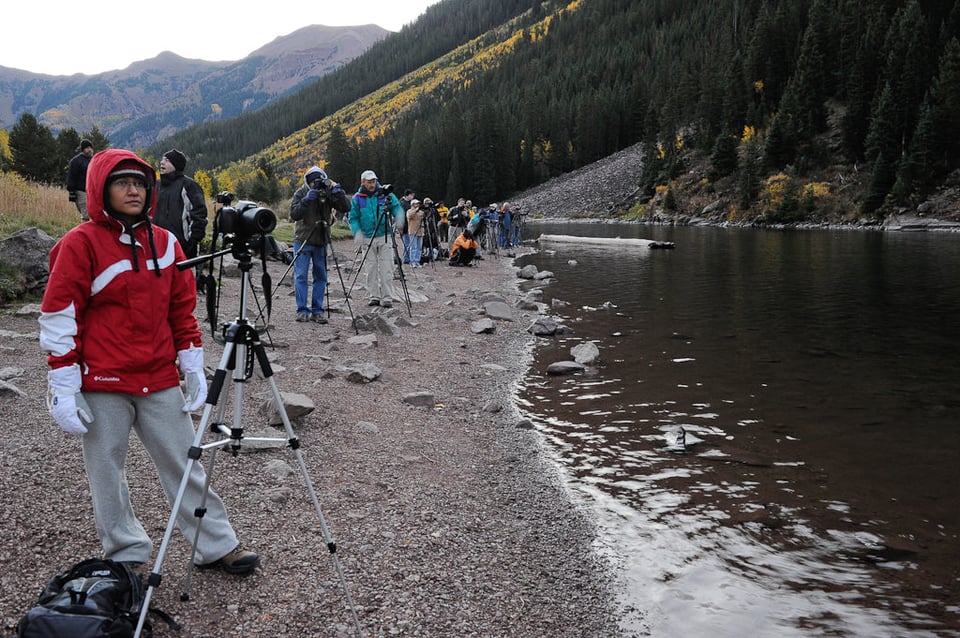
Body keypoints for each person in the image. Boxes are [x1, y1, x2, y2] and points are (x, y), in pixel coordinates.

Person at [38, 148, 259, 576]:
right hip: (102, 379)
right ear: (101, 189)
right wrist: (63, 384)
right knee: (107, 471)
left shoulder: (165, 241)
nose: (133, 190)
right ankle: (126, 554)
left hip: (158, 377)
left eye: (139, 182)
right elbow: (61, 314)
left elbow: (181, 308)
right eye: (122, 182)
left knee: (184, 462)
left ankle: (215, 545)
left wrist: (192, 363)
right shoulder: (80, 244)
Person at [289, 165, 351, 323]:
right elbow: (294, 214)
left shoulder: (328, 192)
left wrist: (338, 193)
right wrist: (307, 200)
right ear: (307, 183)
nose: (316, 185)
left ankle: (317, 310)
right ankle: (302, 310)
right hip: (303, 239)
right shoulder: (301, 193)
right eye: (313, 182)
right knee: (301, 275)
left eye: (318, 181)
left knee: (321, 275)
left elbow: (346, 208)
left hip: (322, 240)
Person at [348, 170, 404, 308]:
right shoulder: (357, 198)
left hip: (385, 235)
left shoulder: (385, 194)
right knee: (370, 268)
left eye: (373, 181)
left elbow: (396, 207)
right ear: (363, 182)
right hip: (367, 238)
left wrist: (400, 219)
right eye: (369, 182)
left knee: (387, 268)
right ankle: (374, 296)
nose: (372, 184)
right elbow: (353, 218)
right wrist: (357, 232)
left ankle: (387, 297)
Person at [155, 149, 207, 259]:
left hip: (181, 247)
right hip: (156, 245)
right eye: (162, 159)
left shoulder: (189, 186)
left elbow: (199, 214)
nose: (162, 162)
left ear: (176, 165)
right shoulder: (156, 185)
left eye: (167, 160)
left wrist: (193, 241)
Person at [66, 139, 94, 222]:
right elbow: (71, 176)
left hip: (92, 192)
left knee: (93, 214)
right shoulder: (76, 161)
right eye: (87, 148)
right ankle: (85, 234)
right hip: (81, 191)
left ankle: (91, 233)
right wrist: (71, 192)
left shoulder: (93, 160)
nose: (89, 150)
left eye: (90, 147)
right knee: (86, 215)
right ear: (83, 149)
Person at [406, 199, 425, 267]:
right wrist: (416, 210)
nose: (417, 205)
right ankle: (412, 261)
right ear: (412, 204)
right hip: (413, 231)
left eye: (418, 204)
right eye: (416, 204)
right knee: (413, 247)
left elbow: (424, 216)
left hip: (420, 231)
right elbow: (409, 216)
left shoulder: (421, 212)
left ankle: (417, 261)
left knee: (419, 247)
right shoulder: (409, 211)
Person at [399, 189, 415, 264]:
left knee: (408, 242)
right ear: (408, 195)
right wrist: (401, 227)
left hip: (408, 225)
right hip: (405, 226)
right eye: (411, 195)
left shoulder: (406, 203)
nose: (412, 197)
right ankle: (406, 258)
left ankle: (407, 257)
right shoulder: (403, 203)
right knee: (407, 243)